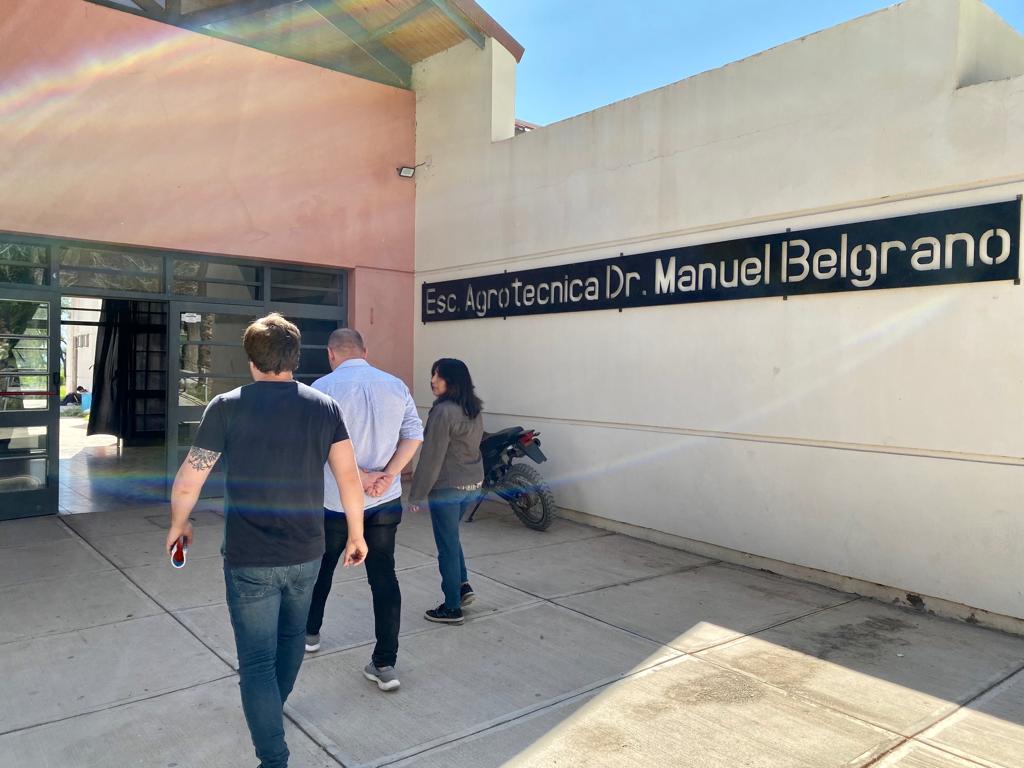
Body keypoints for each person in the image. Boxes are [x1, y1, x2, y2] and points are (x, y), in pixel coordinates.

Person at [165, 313, 366, 768]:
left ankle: (273, 756)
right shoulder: (324, 407)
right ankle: (270, 712)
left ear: (251, 360)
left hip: (250, 557)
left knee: (257, 663)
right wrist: (356, 533)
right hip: (306, 551)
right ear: (295, 357)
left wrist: (179, 523)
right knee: (292, 639)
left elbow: (190, 478)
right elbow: (349, 478)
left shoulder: (226, 406)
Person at [304, 328, 423, 692]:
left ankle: (310, 633)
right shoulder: (396, 385)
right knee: (384, 577)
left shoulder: (322, 389)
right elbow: (414, 434)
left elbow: (319, 445)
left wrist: (361, 476)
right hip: (384, 499)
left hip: (336, 501)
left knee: (322, 568)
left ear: (331, 354)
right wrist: (387, 475)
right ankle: (385, 663)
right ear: (365, 351)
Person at [408, 358, 484, 626]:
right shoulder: (473, 408)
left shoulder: (443, 412)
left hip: (448, 487)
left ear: (452, 381)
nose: (432, 380)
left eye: (438, 376)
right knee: (452, 538)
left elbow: (432, 457)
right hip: (472, 485)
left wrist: (417, 494)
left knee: (447, 546)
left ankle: (452, 608)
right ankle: (462, 587)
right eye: (432, 375)